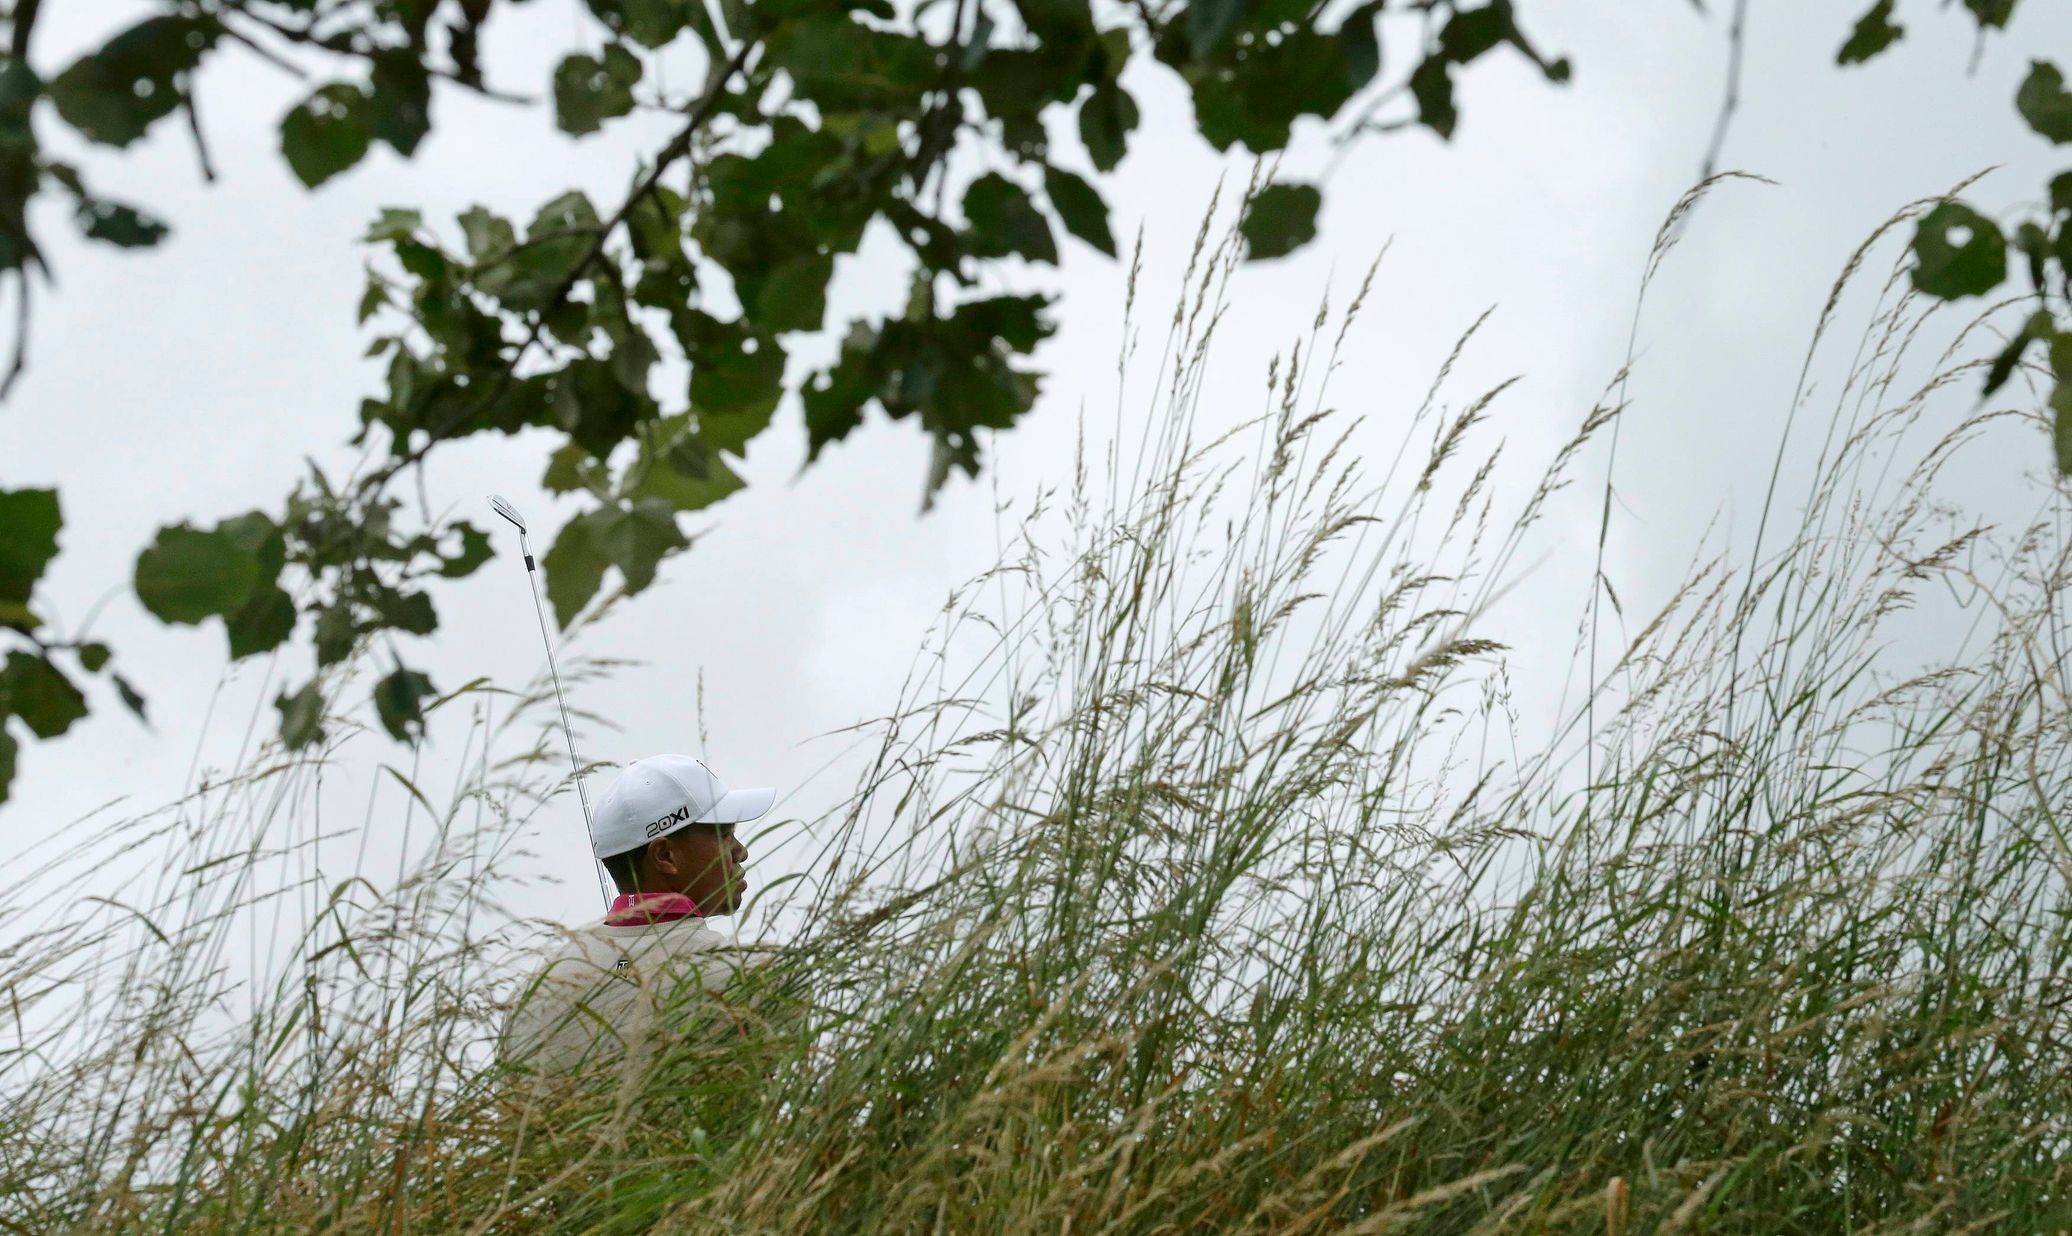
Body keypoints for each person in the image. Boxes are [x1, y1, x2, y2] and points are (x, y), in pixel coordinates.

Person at [499, 753, 778, 1074]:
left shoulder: (530, 993)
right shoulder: (753, 977)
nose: (740, 850)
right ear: (665, 856)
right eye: (725, 834)